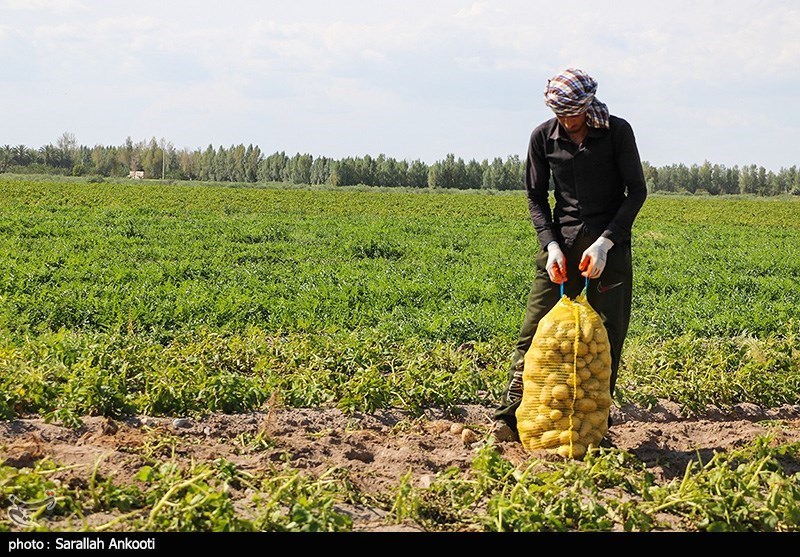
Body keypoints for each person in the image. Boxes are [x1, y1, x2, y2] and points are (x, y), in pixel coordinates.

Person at [492, 67, 648, 442]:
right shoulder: (543, 138)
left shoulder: (617, 132)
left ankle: (595, 426)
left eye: (573, 114)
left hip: (608, 249)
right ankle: (508, 420)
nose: (568, 121)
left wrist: (606, 242)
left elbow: (637, 191)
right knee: (533, 332)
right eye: (561, 114)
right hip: (560, 248)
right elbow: (534, 195)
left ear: (587, 105)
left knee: (607, 337)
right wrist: (550, 245)